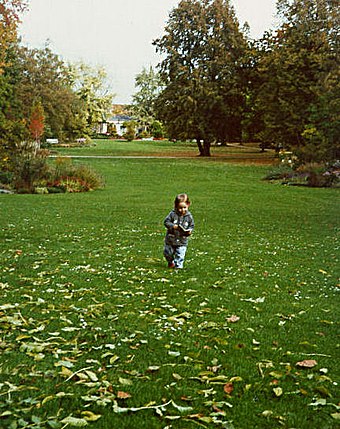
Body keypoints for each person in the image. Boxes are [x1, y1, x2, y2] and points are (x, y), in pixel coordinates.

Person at [163, 193, 194, 269]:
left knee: (180, 254)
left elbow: (191, 225)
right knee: (168, 253)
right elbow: (166, 222)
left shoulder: (189, 216)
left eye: (184, 207)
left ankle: (178, 267)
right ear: (176, 206)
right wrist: (173, 226)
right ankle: (170, 262)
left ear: (188, 205)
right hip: (171, 239)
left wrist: (189, 231)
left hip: (182, 240)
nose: (182, 210)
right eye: (180, 208)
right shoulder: (172, 214)